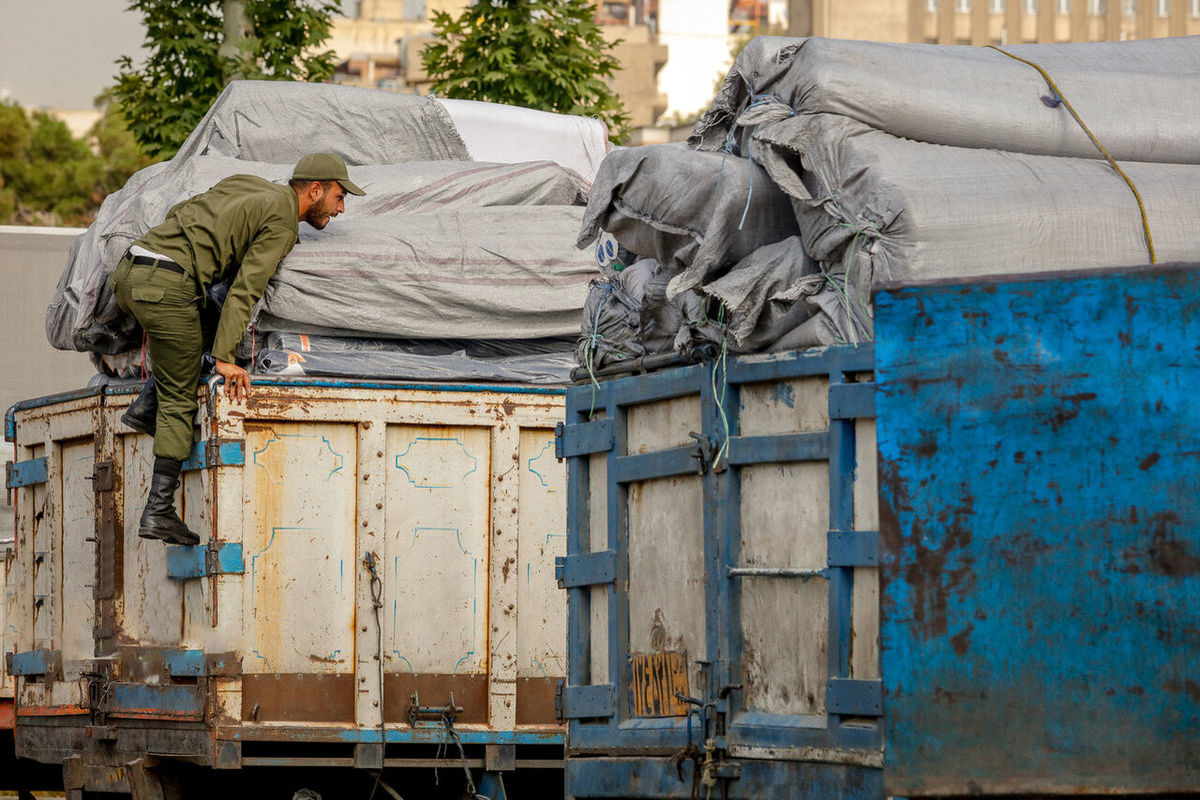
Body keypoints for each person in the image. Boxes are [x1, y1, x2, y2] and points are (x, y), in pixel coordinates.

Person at [111, 153, 365, 546]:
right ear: (315, 190)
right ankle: (158, 511)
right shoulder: (281, 222)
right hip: (166, 286)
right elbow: (245, 292)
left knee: (199, 326)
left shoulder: (249, 185)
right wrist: (227, 359)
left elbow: (185, 209)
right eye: (338, 196)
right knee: (181, 396)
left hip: (132, 270)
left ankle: (146, 409)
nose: (340, 208)